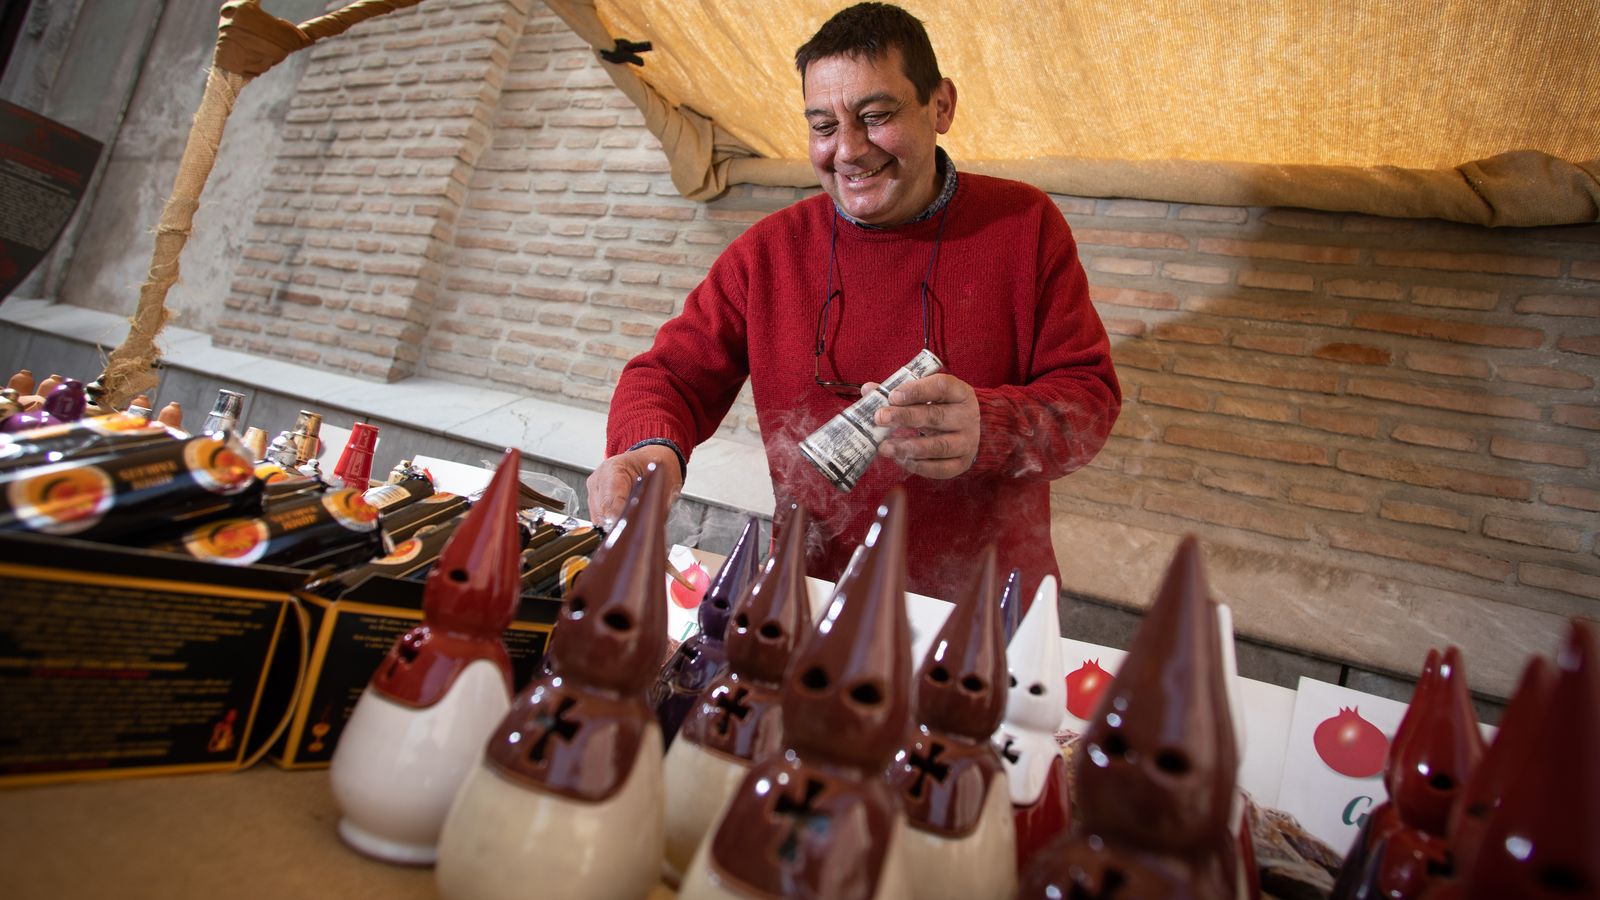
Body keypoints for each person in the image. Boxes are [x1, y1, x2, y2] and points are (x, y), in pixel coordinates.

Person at [586, 2, 1120, 602]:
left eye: (876, 115)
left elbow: (1089, 400)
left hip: (983, 604)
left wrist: (989, 427)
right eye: (823, 126)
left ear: (940, 105)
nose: (849, 149)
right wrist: (648, 450)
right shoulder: (770, 252)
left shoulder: (1024, 225)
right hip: (815, 591)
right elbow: (670, 376)